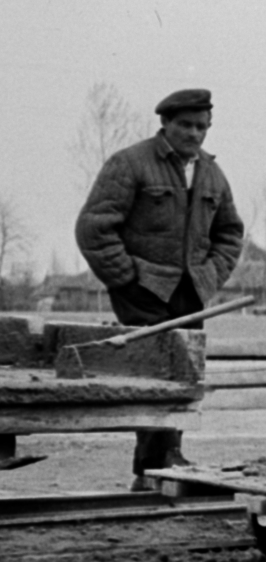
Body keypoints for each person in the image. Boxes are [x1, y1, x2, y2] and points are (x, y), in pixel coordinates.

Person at [75, 87, 245, 487]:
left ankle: (156, 467)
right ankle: (160, 462)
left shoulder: (211, 173)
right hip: (144, 287)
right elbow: (94, 228)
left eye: (201, 126)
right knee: (157, 372)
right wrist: (126, 279)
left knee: (183, 374)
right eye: (184, 125)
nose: (193, 134)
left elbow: (230, 233)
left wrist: (210, 276)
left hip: (191, 293)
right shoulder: (130, 163)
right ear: (165, 124)